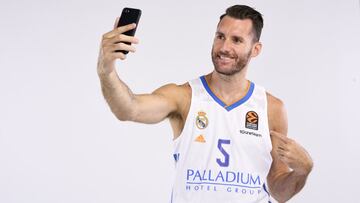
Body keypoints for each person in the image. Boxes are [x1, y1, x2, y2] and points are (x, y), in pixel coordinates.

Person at [97, 5, 313, 203]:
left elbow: (279, 191)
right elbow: (129, 108)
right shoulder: (183, 97)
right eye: (220, 36)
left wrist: (303, 170)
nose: (224, 47)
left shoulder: (272, 108)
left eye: (236, 40)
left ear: (255, 49)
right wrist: (106, 70)